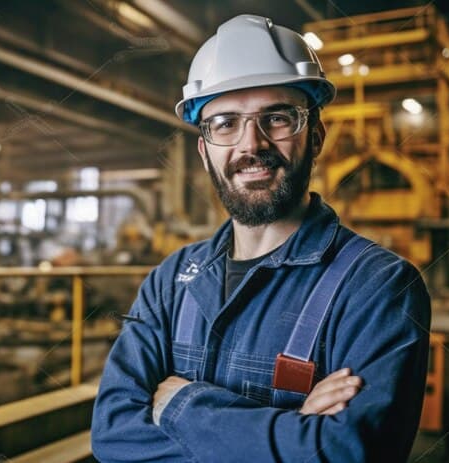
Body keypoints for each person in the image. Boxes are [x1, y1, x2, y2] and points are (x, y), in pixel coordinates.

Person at [91, 14, 431, 462]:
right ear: (204, 149)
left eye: (277, 118)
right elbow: (113, 435)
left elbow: (346, 453)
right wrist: (294, 435)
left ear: (315, 137)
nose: (251, 144)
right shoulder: (170, 282)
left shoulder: (378, 288)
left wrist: (180, 405)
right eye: (225, 123)